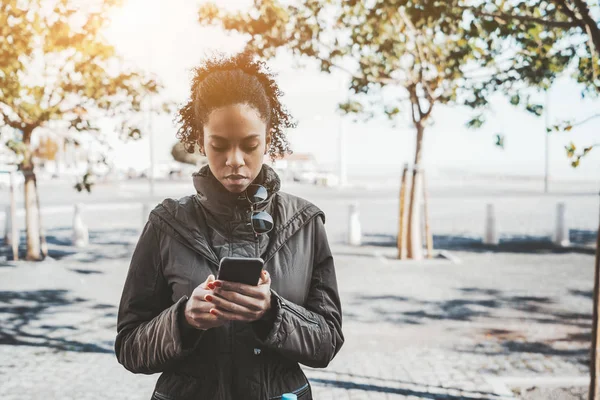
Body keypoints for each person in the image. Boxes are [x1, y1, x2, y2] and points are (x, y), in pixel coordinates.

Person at [115, 51, 344, 400]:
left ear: (269, 138)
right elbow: (130, 346)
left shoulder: (305, 223)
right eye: (218, 146)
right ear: (200, 140)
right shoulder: (166, 224)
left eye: (250, 145)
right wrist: (183, 320)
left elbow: (327, 341)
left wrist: (272, 313)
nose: (234, 160)